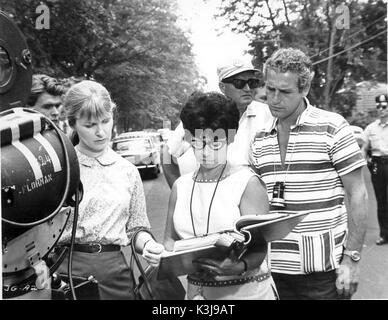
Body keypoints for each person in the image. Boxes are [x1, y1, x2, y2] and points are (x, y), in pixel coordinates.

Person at [250, 48, 368, 300]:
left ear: (304, 89)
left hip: (322, 274)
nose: (274, 99)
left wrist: (352, 258)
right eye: (270, 89)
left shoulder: (332, 127)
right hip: (272, 272)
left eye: (285, 92)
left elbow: (358, 194)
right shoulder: (259, 138)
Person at [162, 92, 277, 300]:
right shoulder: (181, 186)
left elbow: (260, 248)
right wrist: (162, 256)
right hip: (197, 294)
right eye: (198, 143)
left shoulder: (247, 183)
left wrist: (238, 266)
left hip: (246, 293)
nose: (205, 152)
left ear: (230, 137)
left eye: (215, 144)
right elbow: (170, 239)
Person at [56, 80, 164, 299]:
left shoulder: (128, 171)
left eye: (106, 121)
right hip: (67, 274)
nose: (101, 132)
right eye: (90, 125)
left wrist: (149, 244)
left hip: (116, 275)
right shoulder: (60, 168)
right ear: (73, 124)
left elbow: (136, 228)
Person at [162, 57, 271, 188]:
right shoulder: (202, 114)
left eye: (252, 82)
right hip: (212, 200)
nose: (247, 88)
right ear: (222, 87)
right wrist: (179, 193)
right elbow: (167, 154)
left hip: (252, 200)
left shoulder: (268, 115)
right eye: (239, 83)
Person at [362, 94, 388, 245]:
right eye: (378, 106)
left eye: (384, 106)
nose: (381, 109)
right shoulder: (371, 128)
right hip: (378, 165)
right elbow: (364, 148)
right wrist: (361, 162)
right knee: (381, 201)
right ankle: (384, 234)